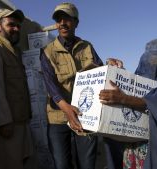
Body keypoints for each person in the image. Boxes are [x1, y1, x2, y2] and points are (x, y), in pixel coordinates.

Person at [99, 39, 157, 169]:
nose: (154, 61)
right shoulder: (141, 73)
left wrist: (123, 99)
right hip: (132, 140)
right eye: (150, 57)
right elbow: (133, 87)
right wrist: (117, 71)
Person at [41, 2, 104, 169]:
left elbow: (101, 74)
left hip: (85, 115)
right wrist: (67, 109)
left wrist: (111, 67)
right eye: (58, 19)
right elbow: (50, 84)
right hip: (57, 117)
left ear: (76, 22)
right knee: (62, 164)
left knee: (87, 164)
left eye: (67, 19)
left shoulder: (87, 47)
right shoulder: (48, 51)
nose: (62, 23)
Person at [0, 8, 34, 169]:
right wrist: (4, 123)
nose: (16, 29)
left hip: (20, 127)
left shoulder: (14, 53)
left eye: (18, 25)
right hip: (5, 130)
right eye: (11, 25)